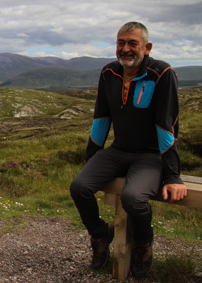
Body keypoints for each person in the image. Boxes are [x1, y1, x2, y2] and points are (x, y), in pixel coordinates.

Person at [69, 21, 188, 278]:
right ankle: (101, 235)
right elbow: (102, 118)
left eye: (132, 43)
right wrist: (91, 158)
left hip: (150, 156)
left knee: (133, 197)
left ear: (147, 47)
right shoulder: (108, 73)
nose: (125, 49)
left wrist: (173, 176)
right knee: (79, 187)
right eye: (120, 43)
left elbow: (167, 127)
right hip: (118, 150)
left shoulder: (162, 74)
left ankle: (144, 243)